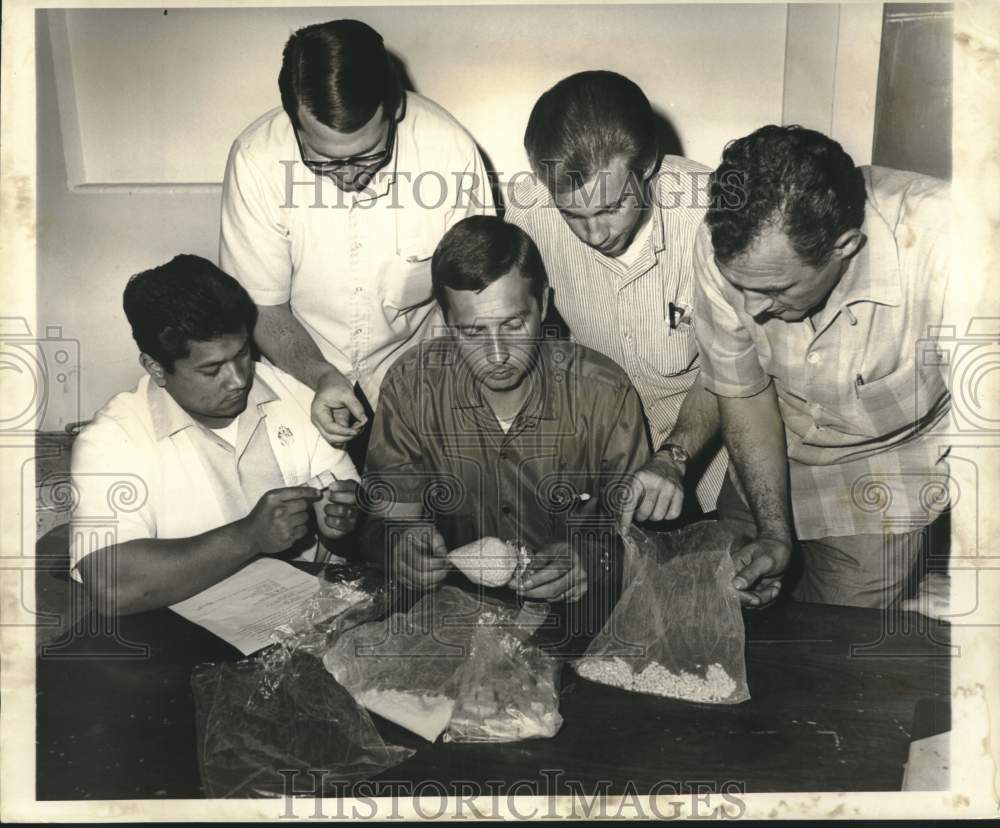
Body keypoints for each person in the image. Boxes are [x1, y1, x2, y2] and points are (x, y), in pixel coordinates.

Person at [694, 125, 956, 609]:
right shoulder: (731, 245)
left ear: (846, 247)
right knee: (720, 613)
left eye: (775, 291)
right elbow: (744, 393)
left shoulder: (951, 249)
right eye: (740, 287)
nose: (752, 309)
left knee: (831, 649)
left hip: (883, 470)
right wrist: (773, 533)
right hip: (769, 447)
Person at [361, 216, 651, 643]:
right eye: (473, 331)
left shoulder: (603, 393)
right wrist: (402, 543)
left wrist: (589, 561)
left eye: (514, 325)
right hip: (451, 616)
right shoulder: (413, 384)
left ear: (544, 303)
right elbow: (382, 522)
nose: (497, 355)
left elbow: (645, 541)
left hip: (578, 622)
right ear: (443, 318)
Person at [220, 19, 495, 463]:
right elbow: (262, 307)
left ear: (395, 109)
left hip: (422, 378)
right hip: (300, 375)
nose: (350, 176)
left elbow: (476, 299)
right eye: (325, 162)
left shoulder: (450, 151)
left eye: (370, 156)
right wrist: (319, 375)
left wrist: (436, 393)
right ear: (293, 123)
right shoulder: (257, 160)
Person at [69, 256, 360, 615]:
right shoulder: (112, 439)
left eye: (242, 355)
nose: (239, 380)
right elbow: (112, 587)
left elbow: (357, 514)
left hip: (304, 623)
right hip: (184, 639)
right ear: (156, 368)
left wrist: (341, 521)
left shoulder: (298, 396)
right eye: (211, 369)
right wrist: (249, 537)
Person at [505, 70, 727, 529]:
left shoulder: (715, 217)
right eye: (573, 214)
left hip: (714, 445)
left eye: (609, 209)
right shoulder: (528, 209)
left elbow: (730, 369)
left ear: (647, 167)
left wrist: (674, 458)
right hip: (600, 439)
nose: (595, 233)